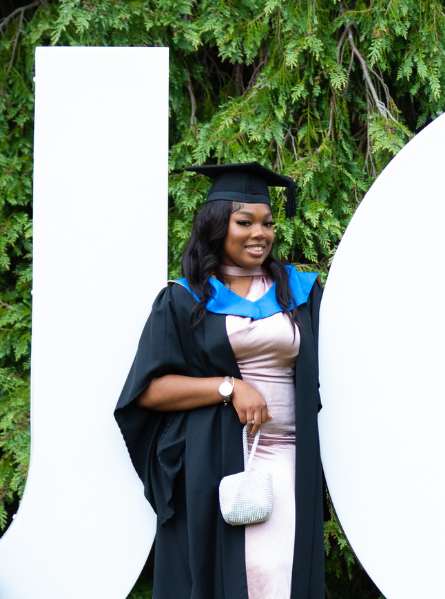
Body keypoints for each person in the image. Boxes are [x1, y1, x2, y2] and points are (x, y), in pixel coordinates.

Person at [116, 162, 325, 599]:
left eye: (267, 223)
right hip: (220, 458)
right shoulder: (185, 298)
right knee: (234, 574)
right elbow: (147, 390)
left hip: (290, 453)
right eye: (244, 222)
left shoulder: (299, 292)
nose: (259, 233)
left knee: (280, 574)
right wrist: (229, 387)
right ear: (216, 226)